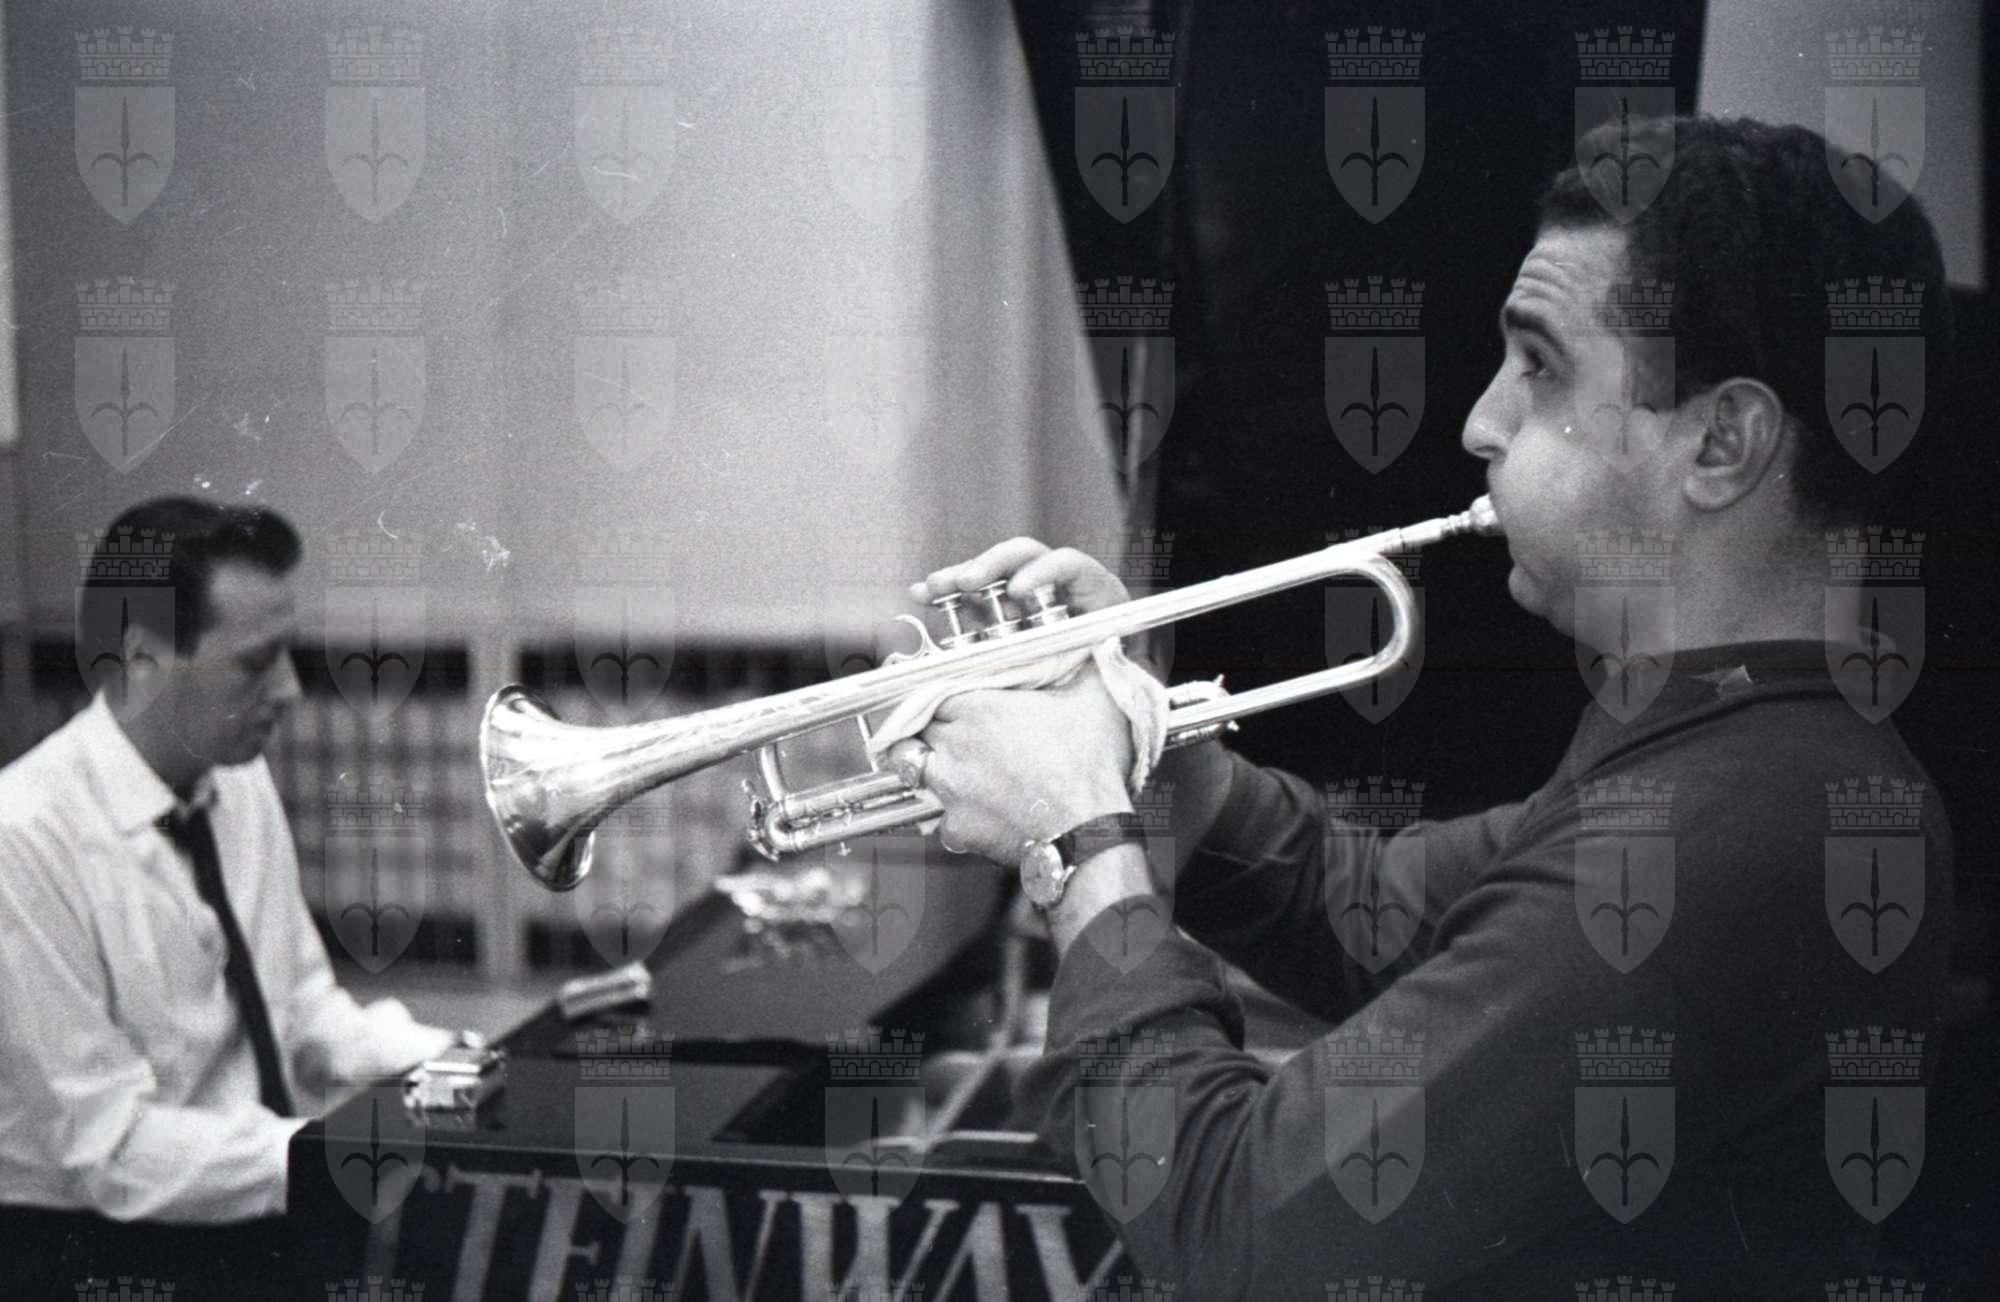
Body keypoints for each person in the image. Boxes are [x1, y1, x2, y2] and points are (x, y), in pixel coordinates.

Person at [899, 116, 1956, 1295]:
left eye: (1540, 366)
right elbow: (1366, 911)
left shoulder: (1731, 832)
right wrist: (1143, 739)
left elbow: (1239, 1231)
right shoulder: (1728, 756)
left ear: (1719, 445)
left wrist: (1074, 839)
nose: (1480, 422)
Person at [0, 499, 461, 1293]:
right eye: (256, 664)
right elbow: (109, 1148)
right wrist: (323, 1156)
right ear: (143, 658)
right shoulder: (22, 836)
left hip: (244, 1199)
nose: (290, 691)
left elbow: (301, 1008)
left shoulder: (235, 778)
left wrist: (448, 1061)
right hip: (90, 1246)